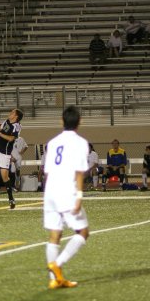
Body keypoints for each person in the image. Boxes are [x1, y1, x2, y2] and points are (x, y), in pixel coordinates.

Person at [43, 105, 89, 289]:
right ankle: (57, 266)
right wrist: (78, 196)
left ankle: (54, 279)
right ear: (80, 122)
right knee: (83, 232)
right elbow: (79, 172)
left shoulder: (53, 142)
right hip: (67, 192)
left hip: (50, 192)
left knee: (55, 234)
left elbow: (47, 171)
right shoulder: (81, 142)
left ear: (62, 121)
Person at [0, 108, 24, 209]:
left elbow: (11, 138)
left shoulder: (17, 126)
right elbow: (1, 126)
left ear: (16, 116)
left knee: (5, 177)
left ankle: (11, 199)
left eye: (13, 112)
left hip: (4, 152)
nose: (10, 113)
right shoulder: (8, 121)